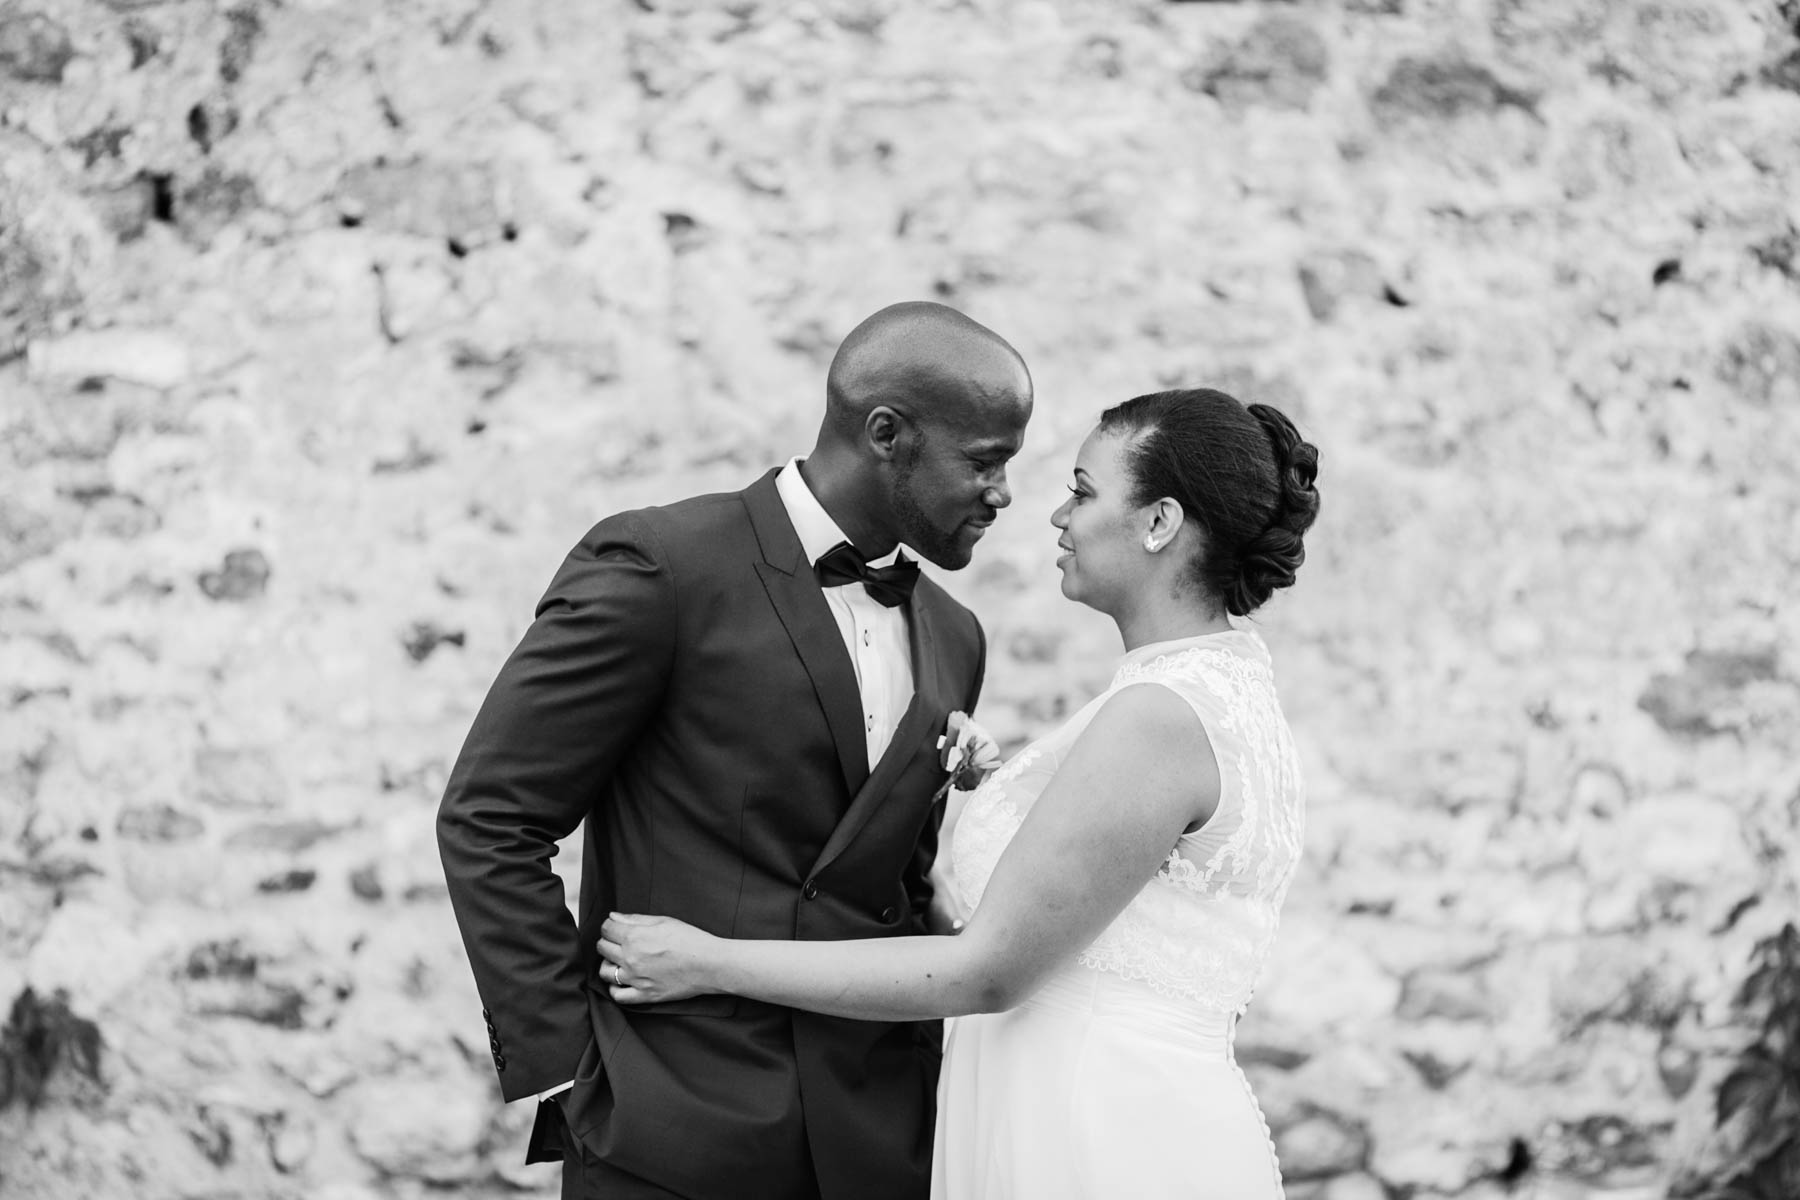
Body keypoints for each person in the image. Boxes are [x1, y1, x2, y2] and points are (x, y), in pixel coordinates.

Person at [599, 388, 1321, 1199]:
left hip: (1095, 1135)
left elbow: (986, 971)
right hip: (1106, 1107)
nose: (1058, 517)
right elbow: (1058, 933)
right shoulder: (1220, 691)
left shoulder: (1159, 715)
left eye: (1083, 492)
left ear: (1159, 522)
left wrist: (710, 962)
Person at [437, 301, 1034, 1200]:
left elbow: (895, 886)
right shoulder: (663, 566)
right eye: (985, 461)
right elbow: (491, 817)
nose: (1003, 493)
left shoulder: (957, 635)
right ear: (886, 434)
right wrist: (574, 1076)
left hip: (881, 1138)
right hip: (667, 1135)